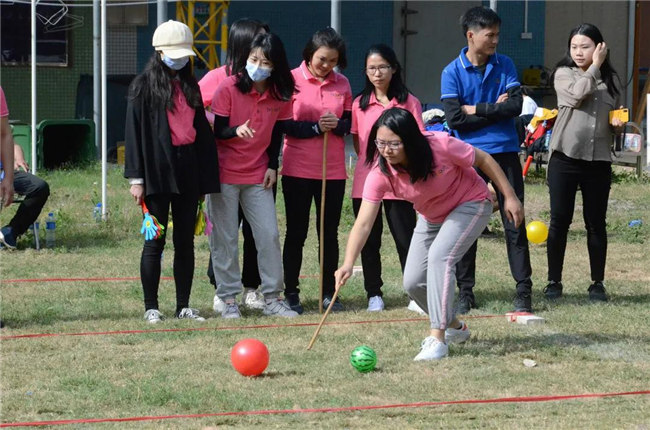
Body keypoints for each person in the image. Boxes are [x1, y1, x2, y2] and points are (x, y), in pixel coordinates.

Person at [334, 107, 524, 361]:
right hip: (432, 215)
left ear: (410, 140)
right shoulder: (380, 174)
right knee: (412, 282)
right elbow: (364, 223)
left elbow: (484, 160)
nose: (386, 150)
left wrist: (509, 196)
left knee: (439, 258)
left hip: (471, 203)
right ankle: (456, 327)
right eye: (380, 143)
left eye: (394, 143)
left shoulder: (440, 146)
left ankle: (438, 339)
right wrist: (347, 263)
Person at [124, 20, 220, 323]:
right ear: (159, 52)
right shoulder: (142, 86)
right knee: (155, 240)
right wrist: (136, 178)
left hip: (187, 168)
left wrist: (205, 177)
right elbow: (133, 134)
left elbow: (201, 131)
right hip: (155, 171)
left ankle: (183, 305)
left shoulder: (190, 85)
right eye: (173, 54)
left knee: (185, 241)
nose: (179, 60)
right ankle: (151, 306)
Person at [441, 6, 533, 313]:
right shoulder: (451, 72)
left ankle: (523, 290)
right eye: (489, 35)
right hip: (468, 158)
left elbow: (516, 107)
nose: (495, 41)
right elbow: (454, 120)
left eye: (497, 35)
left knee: (514, 220)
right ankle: (465, 291)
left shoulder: (504, 64)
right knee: (467, 225)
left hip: (506, 153)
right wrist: (493, 107)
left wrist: (475, 109)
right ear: (471, 35)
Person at [207, 32, 298, 319]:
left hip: (259, 175)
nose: (257, 65)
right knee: (225, 239)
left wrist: (273, 165)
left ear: (276, 65)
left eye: (264, 61)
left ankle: (272, 297)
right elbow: (219, 131)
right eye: (253, 59)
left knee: (268, 235)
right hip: (224, 175)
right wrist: (235, 131)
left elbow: (278, 132)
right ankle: (229, 299)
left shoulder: (281, 92)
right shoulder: (229, 87)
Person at [544, 23, 623, 302]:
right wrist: (594, 67)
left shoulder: (611, 79)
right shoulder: (564, 74)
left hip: (598, 161)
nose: (578, 52)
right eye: (574, 46)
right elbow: (577, 95)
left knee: (596, 223)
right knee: (559, 221)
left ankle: (597, 282)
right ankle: (554, 281)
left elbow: (616, 115)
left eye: (585, 46)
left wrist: (617, 125)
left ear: (600, 47)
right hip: (565, 157)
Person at [198, 18, 270, 313]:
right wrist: (223, 123)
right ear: (243, 46)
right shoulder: (216, 79)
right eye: (259, 41)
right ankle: (223, 290)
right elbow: (197, 113)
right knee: (224, 231)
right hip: (222, 170)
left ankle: (252, 288)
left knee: (259, 231)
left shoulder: (266, 80)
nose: (264, 48)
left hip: (257, 170)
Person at [281, 28, 352, 314]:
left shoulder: (343, 84)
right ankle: (291, 292)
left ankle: (327, 293)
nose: (327, 66)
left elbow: (350, 124)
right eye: (323, 59)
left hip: (332, 170)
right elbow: (283, 123)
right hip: (297, 167)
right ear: (310, 55)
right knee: (296, 232)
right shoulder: (290, 80)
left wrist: (338, 124)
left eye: (333, 61)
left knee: (329, 233)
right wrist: (314, 128)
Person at [351, 44, 426, 313]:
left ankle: (415, 293)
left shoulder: (410, 103)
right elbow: (359, 145)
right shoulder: (358, 104)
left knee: (406, 238)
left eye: (383, 66)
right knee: (369, 240)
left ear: (394, 68)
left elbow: (418, 141)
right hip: (366, 182)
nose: (377, 73)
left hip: (401, 183)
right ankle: (374, 293)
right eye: (372, 68)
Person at [0, 86, 50, 251]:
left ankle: (10, 232)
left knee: (40, 187)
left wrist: (8, 177)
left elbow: (7, 137)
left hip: (3, 172)